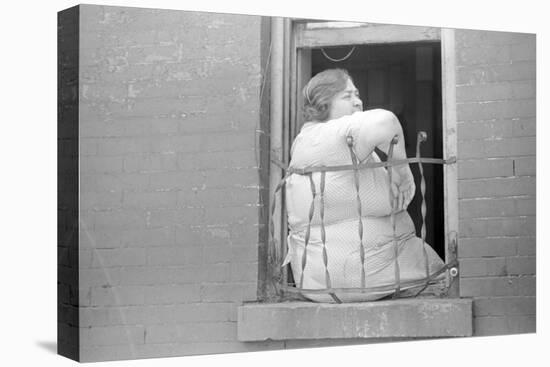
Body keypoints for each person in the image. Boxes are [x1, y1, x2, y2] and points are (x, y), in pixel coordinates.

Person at [283, 68, 444, 302]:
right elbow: (385, 122)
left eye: (357, 94)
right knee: (452, 278)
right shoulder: (327, 136)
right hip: (363, 276)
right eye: (347, 96)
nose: (358, 102)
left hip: (327, 282)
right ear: (322, 104)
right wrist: (401, 170)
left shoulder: (316, 141)